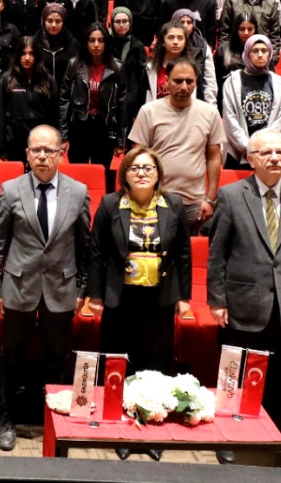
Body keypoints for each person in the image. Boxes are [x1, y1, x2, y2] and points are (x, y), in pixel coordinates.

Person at [208, 128, 281, 444]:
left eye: (280, 152)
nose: (274, 158)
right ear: (251, 159)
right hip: (240, 304)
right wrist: (217, 299)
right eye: (266, 152)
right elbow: (217, 254)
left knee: (276, 377)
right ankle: (231, 435)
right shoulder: (231, 195)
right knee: (234, 375)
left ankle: (269, 437)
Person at [86, 145, 192, 461]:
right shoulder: (110, 204)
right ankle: (120, 427)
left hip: (160, 297)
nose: (142, 173)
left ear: (158, 174)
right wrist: (95, 295)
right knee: (119, 362)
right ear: (125, 174)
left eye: (148, 168)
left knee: (156, 364)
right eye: (135, 168)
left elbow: (183, 253)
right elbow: (96, 252)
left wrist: (184, 297)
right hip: (120, 297)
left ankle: (152, 427)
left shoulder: (173, 204)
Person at [0, 125, 91, 451]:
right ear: (27, 154)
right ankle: (6, 416)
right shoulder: (11, 190)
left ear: (61, 153)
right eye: (36, 150)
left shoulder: (78, 192)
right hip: (19, 285)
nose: (43, 156)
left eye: (49, 150)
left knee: (57, 357)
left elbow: (84, 247)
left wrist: (81, 290)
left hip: (61, 286)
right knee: (12, 356)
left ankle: (55, 419)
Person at [129, 57, 224, 237]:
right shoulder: (148, 111)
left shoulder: (210, 113)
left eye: (189, 81)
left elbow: (214, 157)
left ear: (196, 82)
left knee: (191, 253)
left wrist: (210, 200)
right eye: (178, 81)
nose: (184, 87)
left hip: (195, 203)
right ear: (167, 81)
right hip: (155, 200)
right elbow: (137, 157)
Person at [59, 23, 128, 171]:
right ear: (85, 42)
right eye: (92, 40)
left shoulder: (116, 68)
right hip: (79, 125)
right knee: (77, 172)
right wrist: (64, 135)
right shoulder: (74, 65)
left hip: (104, 126)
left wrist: (121, 140)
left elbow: (122, 106)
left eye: (101, 40)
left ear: (106, 43)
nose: (96, 45)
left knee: (101, 171)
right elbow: (64, 101)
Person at [220, 34, 281, 169]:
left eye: (264, 51)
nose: (260, 55)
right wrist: (251, 149)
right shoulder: (232, 81)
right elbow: (230, 120)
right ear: (247, 53)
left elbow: (280, 119)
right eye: (255, 51)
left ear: (270, 53)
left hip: (268, 154)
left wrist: (264, 149)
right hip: (238, 154)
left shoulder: (278, 83)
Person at [0, 36, 60, 164]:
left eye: (31, 54)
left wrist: (56, 142)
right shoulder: (7, 79)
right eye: (23, 54)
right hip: (14, 142)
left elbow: (54, 115)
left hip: (41, 142)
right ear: (18, 55)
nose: (27, 58)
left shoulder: (48, 80)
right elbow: (1, 114)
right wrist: (0, 146)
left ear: (37, 56)